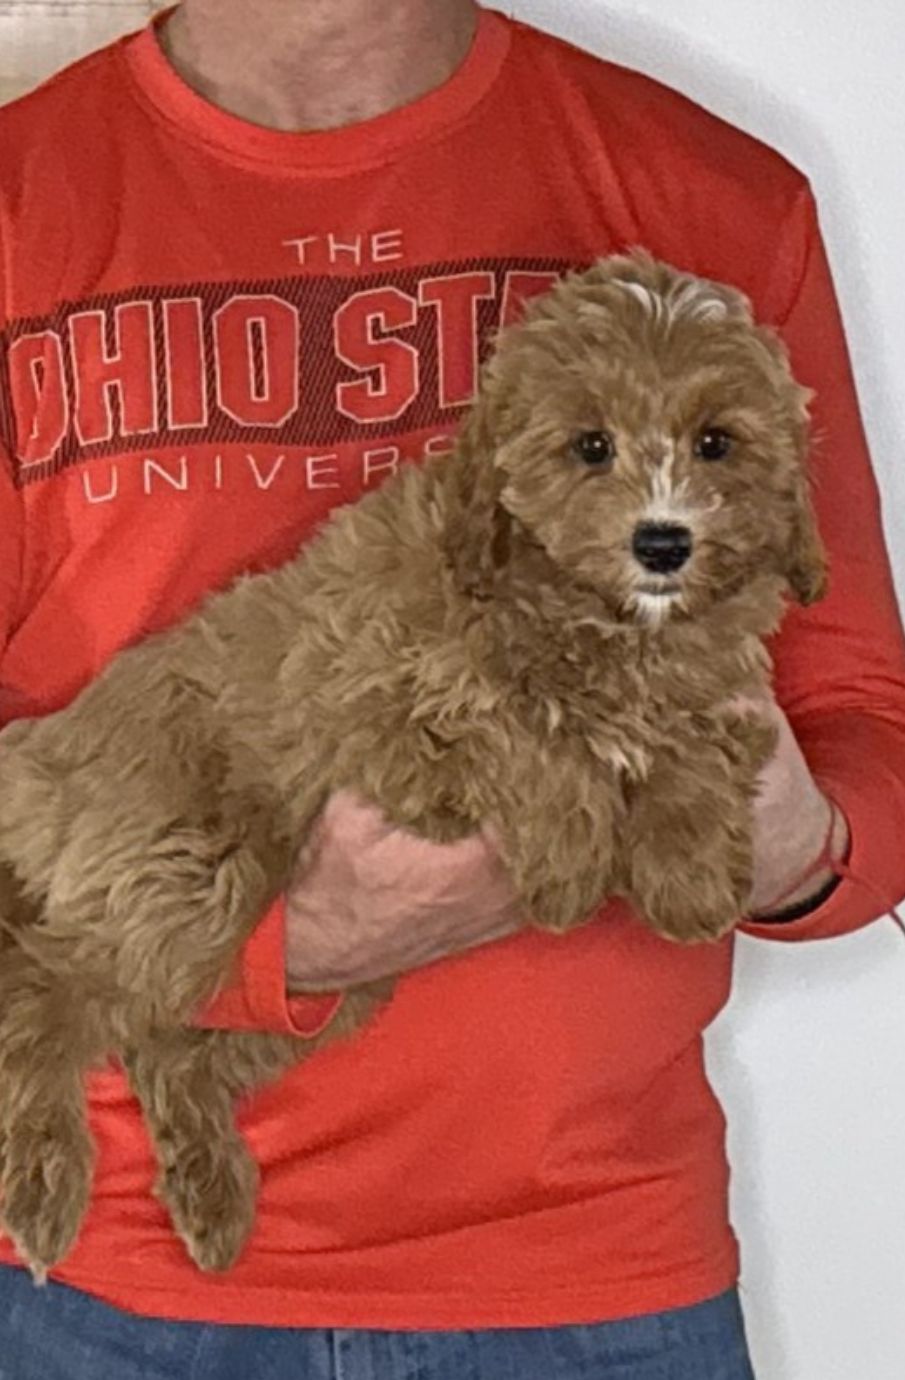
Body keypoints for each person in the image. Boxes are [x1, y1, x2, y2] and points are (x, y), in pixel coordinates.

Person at [0, 1, 903, 1376]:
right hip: (104, 1296)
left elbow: (865, 714)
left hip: (598, 1281)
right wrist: (266, 950)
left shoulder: (706, 197)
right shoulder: (25, 202)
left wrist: (801, 848)